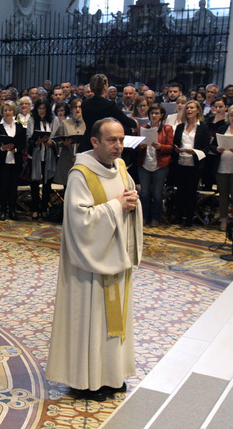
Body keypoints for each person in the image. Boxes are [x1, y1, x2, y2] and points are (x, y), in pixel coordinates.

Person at [47, 117, 143, 402]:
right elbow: (80, 221)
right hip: (88, 266)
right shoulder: (81, 174)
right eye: (111, 140)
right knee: (91, 321)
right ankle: (86, 382)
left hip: (116, 257)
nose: (118, 146)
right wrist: (117, 206)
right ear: (94, 141)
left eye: (121, 140)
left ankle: (111, 376)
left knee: (114, 322)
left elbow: (128, 198)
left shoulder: (121, 168)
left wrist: (132, 201)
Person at [173, 100, 209, 227]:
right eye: (187, 108)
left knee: (191, 192)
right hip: (181, 162)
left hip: (195, 164)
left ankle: (189, 219)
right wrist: (176, 149)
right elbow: (175, 143)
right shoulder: (180, 127)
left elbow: (206, 148)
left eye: (192, 108)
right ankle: (178, 217)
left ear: (198, 110)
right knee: (180, 191)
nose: (189, 110)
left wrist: (194, 152)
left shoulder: (203, 127)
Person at [136, 104, 174, 227]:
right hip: (145, 163)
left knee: (157, 193)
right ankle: (143, 217)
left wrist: (161, 146)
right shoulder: (143, 128)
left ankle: (156, 218)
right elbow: (136, 146)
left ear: (161, 115)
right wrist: (140, 146)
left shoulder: (167, 129)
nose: (154, 115)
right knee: (144, 193)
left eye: (156, 113)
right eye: (152, 113)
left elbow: (171, 147)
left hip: (160, 164)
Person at [0, 100, 26, 220]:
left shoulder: (19, 126)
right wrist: (3, 148)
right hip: (3, 161)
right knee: (3, 187)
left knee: (13, 187)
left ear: (14, 111)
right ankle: (3, 211)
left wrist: (15, 149)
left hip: (15, 160)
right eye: (5, 110)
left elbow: (22, 143)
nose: (7, 112)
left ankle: (13, 211)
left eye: (10, 110)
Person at [215, 105, 233, 231]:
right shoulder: (222, 129)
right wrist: (217, 149)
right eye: (231, 115)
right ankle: (224, 220)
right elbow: (212, 145)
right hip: (222, 167)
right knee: (223, 195)